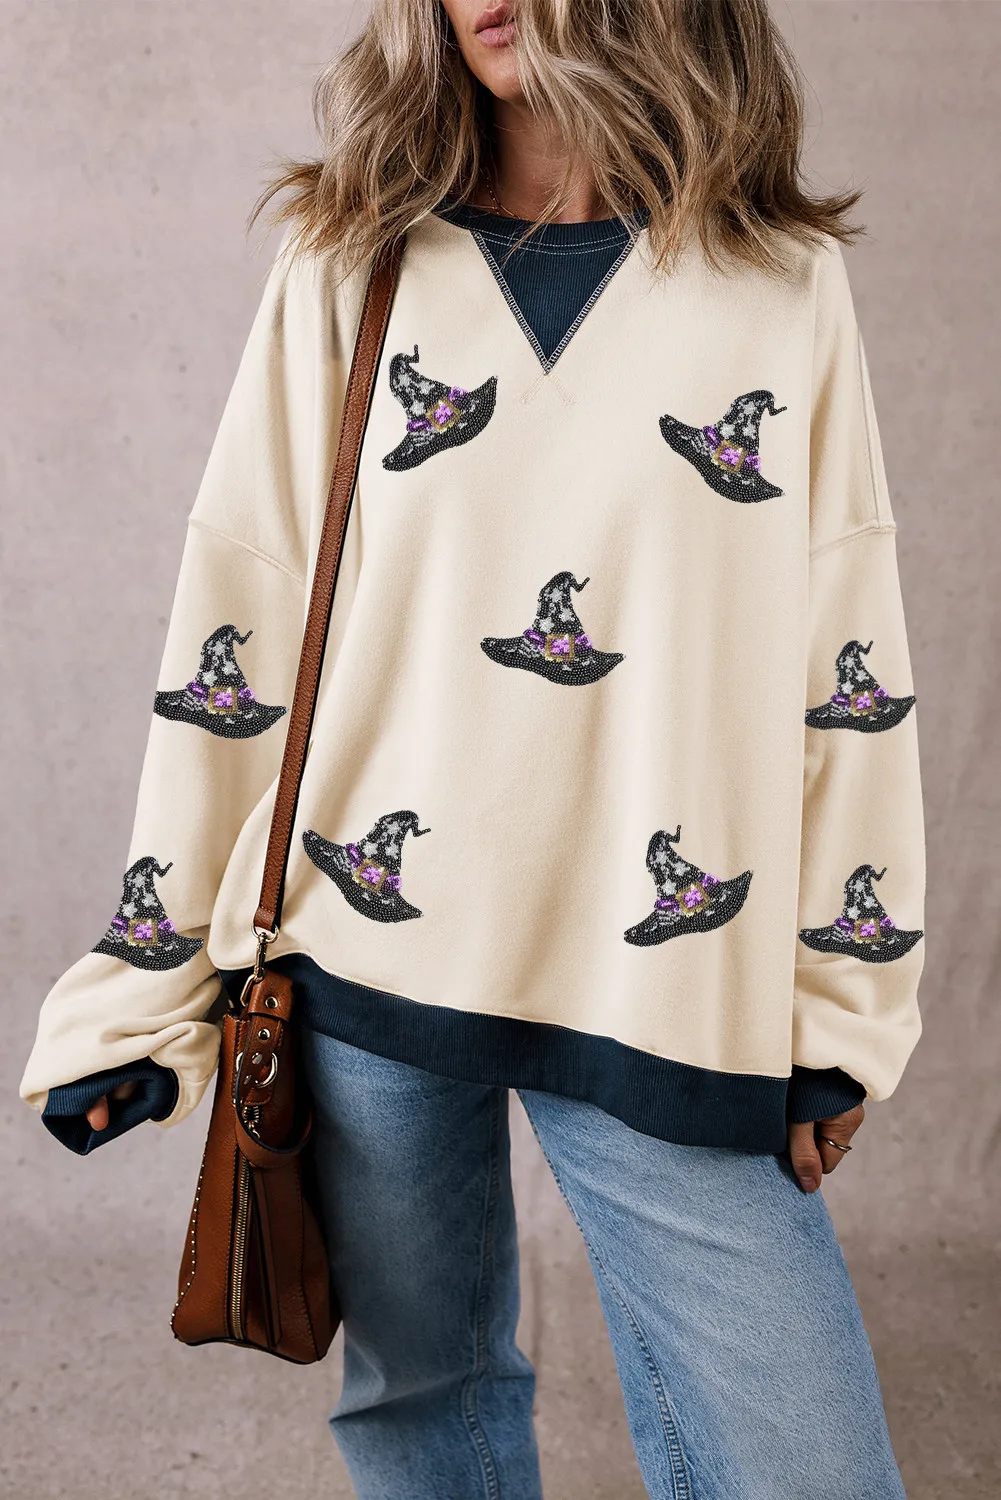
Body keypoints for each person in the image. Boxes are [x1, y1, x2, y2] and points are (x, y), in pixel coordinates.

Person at [21, 1, 925, 1495]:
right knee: (422, 1405)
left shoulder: (776, 280)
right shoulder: (348, 255)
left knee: (801, 1463)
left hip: (662, 979)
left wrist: (844, 998)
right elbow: (241, 609)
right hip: (365, 962)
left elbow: (849, 651)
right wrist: (140, 986)